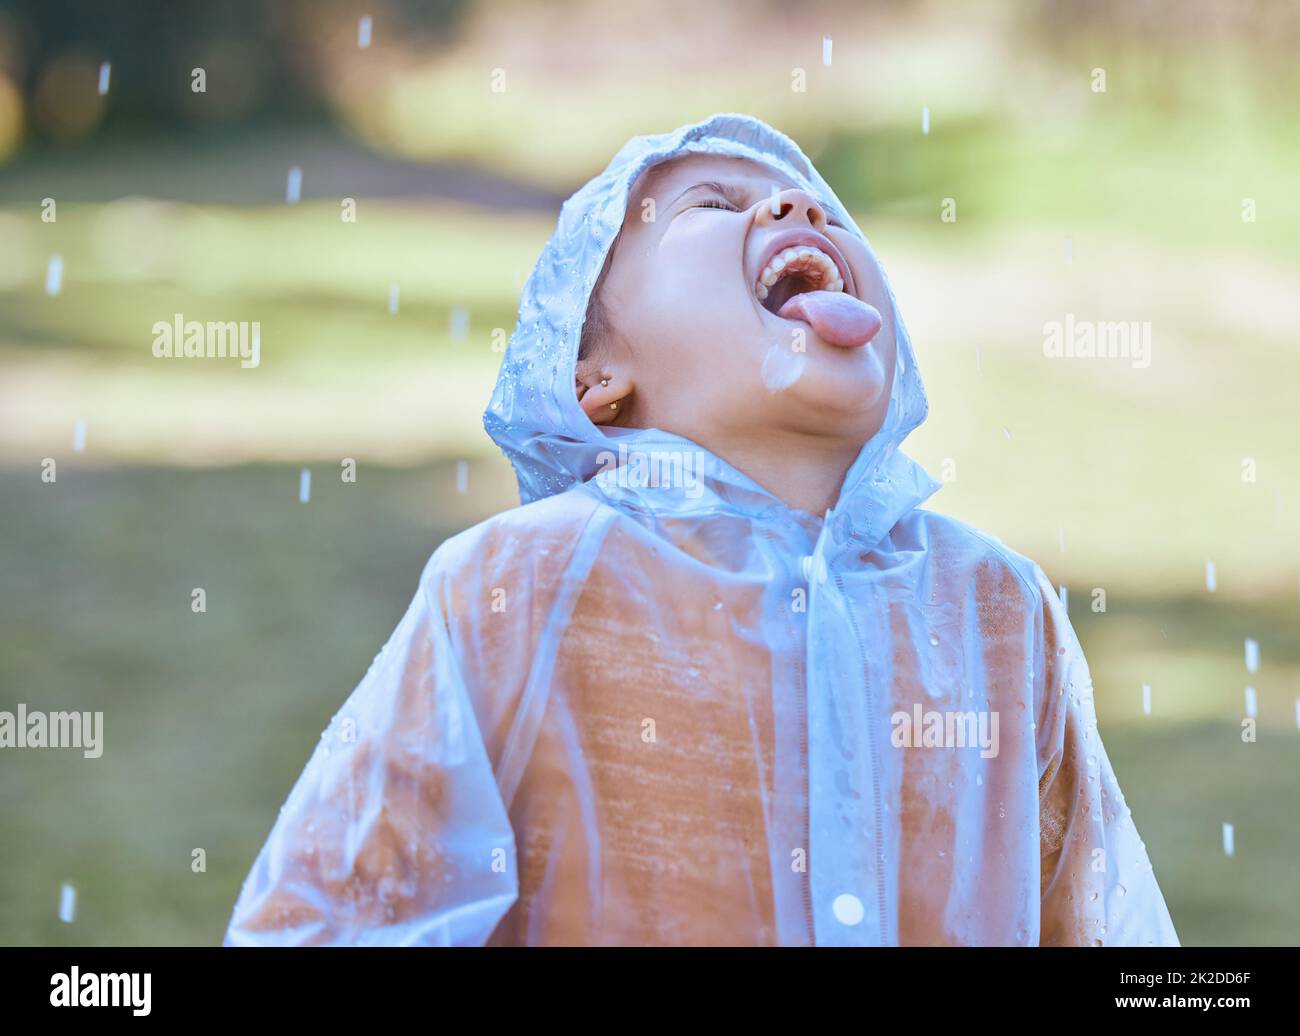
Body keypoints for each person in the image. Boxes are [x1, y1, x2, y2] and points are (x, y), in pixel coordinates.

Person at [223, 113, 1179, 946]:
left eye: (825, 209)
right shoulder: (520, 587)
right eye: (712, 205)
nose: (796, 211)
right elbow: (331, 915)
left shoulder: (998, 609)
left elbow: (1100, 925)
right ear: (593, 379)